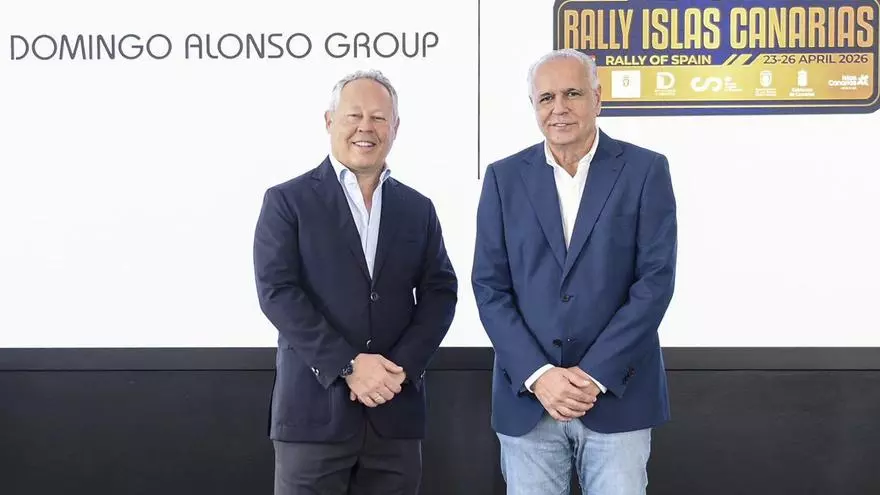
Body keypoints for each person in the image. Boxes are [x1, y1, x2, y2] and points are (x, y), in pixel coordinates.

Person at [472, 48, 677, 494]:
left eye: (573, 94)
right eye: (546, 98)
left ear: (597, 99)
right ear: (533, 105)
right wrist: (540, 375)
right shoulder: (504, 178)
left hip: (618, 395)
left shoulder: (645, 170)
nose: (559, 107)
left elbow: (655, 282)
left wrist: (593, 375)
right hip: (529, 400)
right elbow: (489, 287)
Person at [253, 69, 458, 495]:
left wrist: (398, 371)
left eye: (379, 117)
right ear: (330, 121)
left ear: (395, 127)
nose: (366, 127)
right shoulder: (287, 201)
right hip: (313, 416)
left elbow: (440, 293)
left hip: (395, 413)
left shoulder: (418, 208)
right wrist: (348, 365)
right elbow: (277, 292)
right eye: (354, 115)